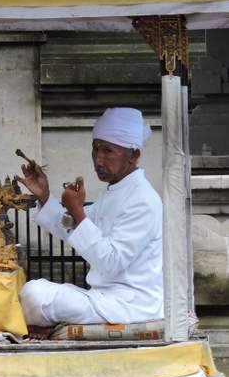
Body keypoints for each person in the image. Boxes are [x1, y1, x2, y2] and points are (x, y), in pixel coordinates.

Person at [16, 107, 163, 327]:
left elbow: (110, 262)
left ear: (133, 155)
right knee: (32, 291)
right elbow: (73, 227)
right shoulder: (115, 190)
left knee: (35, 295)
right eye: (95, 150)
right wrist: (45, 197)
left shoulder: (142, 199)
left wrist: (77, 211)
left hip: (131, 306)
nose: (98, 160)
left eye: (107, 151)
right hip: (103, 299)